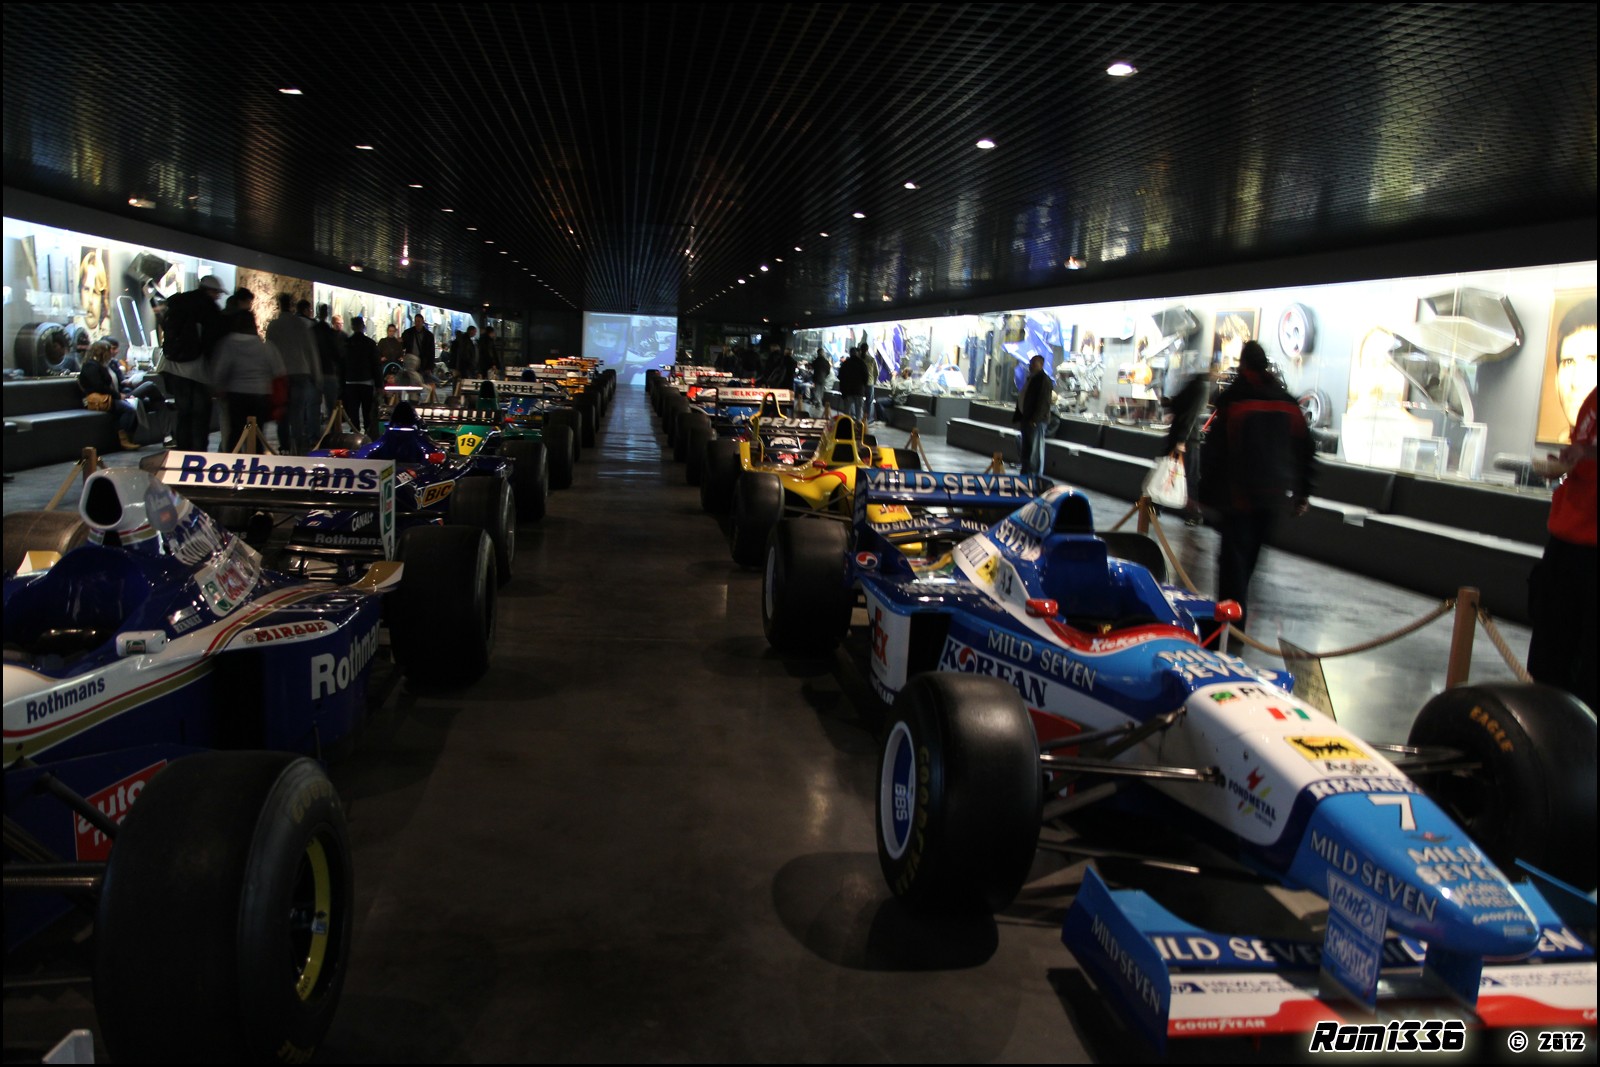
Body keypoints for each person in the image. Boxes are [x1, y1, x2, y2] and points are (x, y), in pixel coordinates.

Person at [1197, 340, 1314, 638]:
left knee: (1233, 562)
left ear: (1244, 364)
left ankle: (1230, 629)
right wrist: (1302, 493)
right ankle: (1236, 620)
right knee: (1249, 562)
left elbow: (1216, 449)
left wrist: (1203, 493)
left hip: (1238, 497)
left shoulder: (1235, 400)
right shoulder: (1288, 403)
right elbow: (1305, 450)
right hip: (1273, 497)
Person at [1528, 384, 1596, 710]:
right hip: (1566, 541)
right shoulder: (1593, 399)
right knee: (1549, 656)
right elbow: (1581, 449)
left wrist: (1586, 454)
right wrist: (1567, 466)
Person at [158, 273, 227, 450]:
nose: (218, 296)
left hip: (172, 365)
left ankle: (183, 450)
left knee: (184, 413)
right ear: (210, 291)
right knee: (200, 414)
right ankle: (198, 454)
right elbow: (213, 342)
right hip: (196, 369)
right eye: (217, 292)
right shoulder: (209, 308)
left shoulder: (178, 303)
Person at [211, 310, 285, 453]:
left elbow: (219, 370)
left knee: (236, 432)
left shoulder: (228, 344)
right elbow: (278, 371)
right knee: (257, 433)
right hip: (261, 394)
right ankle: (256, 463)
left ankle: (233, 464)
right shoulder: (265, 346)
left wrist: (218, 388)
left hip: (236, 393)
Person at [1160, 359, 1213, 525]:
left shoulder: (1194, 385)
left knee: (1168, 471)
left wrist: (1169, 403)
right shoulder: (1201, 387)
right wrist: (1182, 439)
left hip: (1181, 437)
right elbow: (1190, 414)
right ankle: (1193, 513)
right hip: (1188, 440)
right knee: (1188, 476)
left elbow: (1183, 410)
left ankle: (1155, 507)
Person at [265, 293, 318, 452]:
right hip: (301, 373)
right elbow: (311, 351)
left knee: (282, 413)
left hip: (281, 374)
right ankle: (298, 445)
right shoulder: (301, 325)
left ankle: (285, 446)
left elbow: (269, 351)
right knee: (298, 413)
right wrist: (317, 376)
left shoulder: (274, 326)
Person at [79, 340, 141, 450]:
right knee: (128, 409)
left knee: (133, 406)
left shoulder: (98, 365)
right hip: (97, 399)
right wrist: (117, 395)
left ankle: (126, 438)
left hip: (105, 397)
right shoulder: (91, 366)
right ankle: (123, 440)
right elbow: (99, 387)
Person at [340, 316, 382, 436]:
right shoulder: (370, 343)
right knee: (367, 410)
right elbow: (376, 365)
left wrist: (342, 383)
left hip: (350, 381)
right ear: (363, 327)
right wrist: (379, 384)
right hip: (366, 381)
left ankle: (355, 432)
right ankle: (368, 433)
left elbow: (342, 365)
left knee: (353, 410)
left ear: (352, 327)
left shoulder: (347, 344)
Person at [1014, 354, 1053, 477]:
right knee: (1027, 448)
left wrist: (1035, 419)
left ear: (1041, 365)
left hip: (1036, 421)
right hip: (1027, 419)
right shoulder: (1031, 379)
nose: (1031, 366)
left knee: (1035, 450)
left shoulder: (1043, 380)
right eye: (1030, 363)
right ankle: (1026, 472)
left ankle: (1035, 475)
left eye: (1034, 364)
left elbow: (1043, 403)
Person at [312, 304, 345, 428]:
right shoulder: (330, 333)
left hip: (316, 371)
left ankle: (314, 433)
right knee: (331, 405)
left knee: (314, 405)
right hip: (329, 371)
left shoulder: (313, 331)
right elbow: (336, 353)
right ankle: (332, 430)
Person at [837, 344, 870, 421]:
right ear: (857, 354)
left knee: (847, 411)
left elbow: (840, 376)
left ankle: (847, 426)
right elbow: (866, 376)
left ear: (850, 354)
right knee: (859, 411)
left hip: (847, 391)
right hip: (859, 391)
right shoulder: (862, 363)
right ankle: (858, 427)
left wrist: (843, 389)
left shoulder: (845, 364)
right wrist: (863, 386)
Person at [401, 313, 437, 382]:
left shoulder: (429, 335)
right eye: (416, 321)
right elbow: (403, 345)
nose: (417, 323)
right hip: (411, 361)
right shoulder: (408, 333)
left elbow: (431, 352)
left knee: (421, 381)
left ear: (423, 322)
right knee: (412, 381)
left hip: (423, 362)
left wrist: (429, 367)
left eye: (419, 321)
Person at [808, 349, 831, 414]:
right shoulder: (826, 361)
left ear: (818, 353)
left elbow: (812, 366)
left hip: (817, 378)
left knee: (816, 391)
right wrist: (825, 375)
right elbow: (828, 371)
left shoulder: (817, 360)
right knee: (820, 392)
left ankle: (819, 403)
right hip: (823, 378)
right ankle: (818, 403)